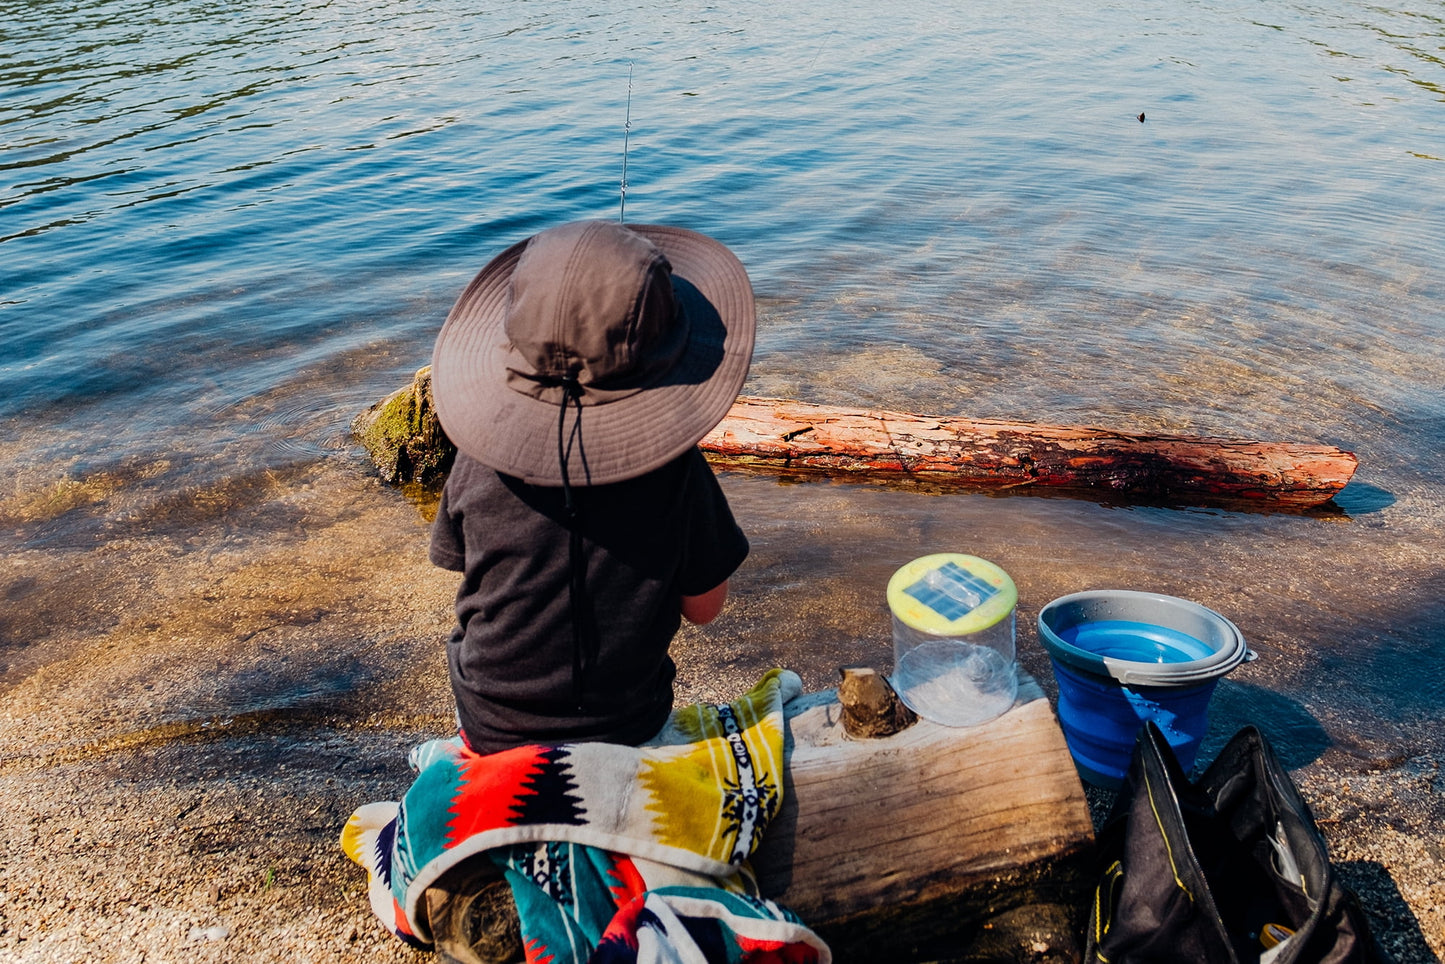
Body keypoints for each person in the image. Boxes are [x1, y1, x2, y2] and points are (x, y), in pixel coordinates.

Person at [427, 219, 756, 756]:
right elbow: (704, 608)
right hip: (628, 724)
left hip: (486, 720)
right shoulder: (678, 473)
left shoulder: (478, 456)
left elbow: (463, 563)